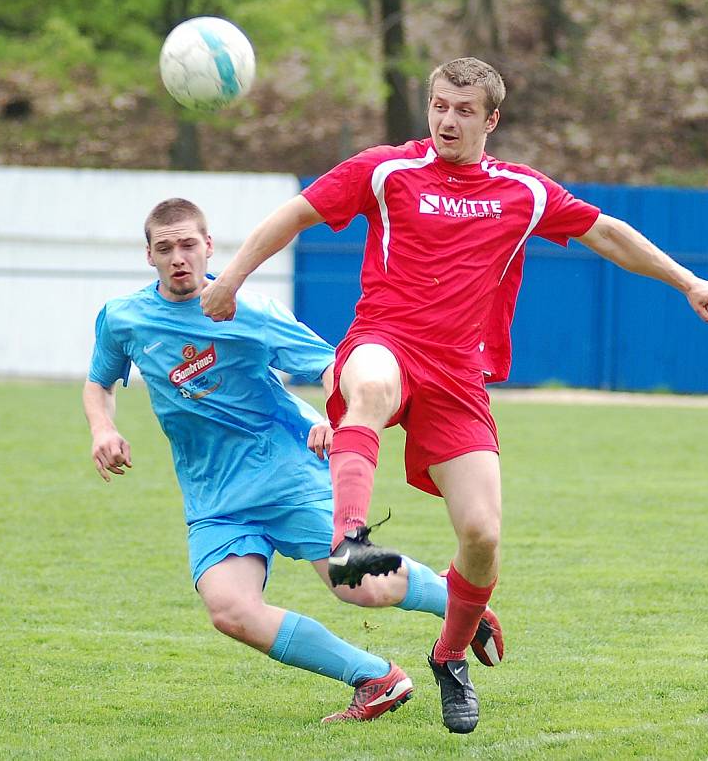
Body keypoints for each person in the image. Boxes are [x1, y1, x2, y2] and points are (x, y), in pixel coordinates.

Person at [199, 57, 708, 733]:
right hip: (385, 337)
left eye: (465, 110)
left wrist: (686, 281)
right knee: (369, 386)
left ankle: (449, 656)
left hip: (458, 377)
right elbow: (295, 214)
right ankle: (350, 536)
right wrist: (232, 279)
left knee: (482, 533)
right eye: (440, 105)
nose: (448, 119)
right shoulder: (386, 169)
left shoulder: (522, 191)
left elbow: (607, 233)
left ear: (491, 119)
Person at [82, 197, 504, 726]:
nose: (178, 258)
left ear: (209, 247)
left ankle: (455, 597)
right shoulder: (124, 319)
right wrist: (104, 428)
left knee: (362, 586)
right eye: (165, 248)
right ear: (149, 256)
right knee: (231, 611)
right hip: (214, 497)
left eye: (188, 244)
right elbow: (99, 383)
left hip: (287, 474)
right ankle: (377, 678)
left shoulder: (249, 310)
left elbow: (331, 364)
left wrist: (337, 412)